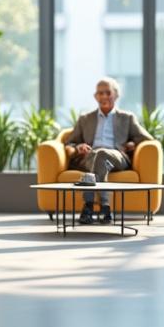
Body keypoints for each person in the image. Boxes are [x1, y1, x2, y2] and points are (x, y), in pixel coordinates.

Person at [63, 77, 154, 225]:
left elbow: (147, 138)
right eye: (100, 93)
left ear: (116, 95)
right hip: (89, 156)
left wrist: (133, 143)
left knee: (102, 153)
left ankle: (88, 207)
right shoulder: (85, 119)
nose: (104, 96)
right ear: (95, 96)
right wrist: (78, 147)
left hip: (116, 156)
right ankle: (105, 209)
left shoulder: (127, 118)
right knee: (97, 156)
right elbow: (69, 143)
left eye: (108, 92)